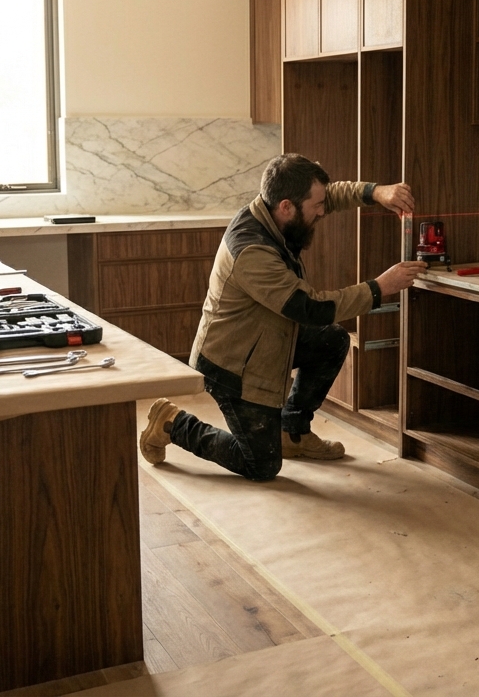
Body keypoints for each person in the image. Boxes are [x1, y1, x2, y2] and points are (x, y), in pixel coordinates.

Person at [138, 153, 426, 481]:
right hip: (234, 367)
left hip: (269, 340)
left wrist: (375, 192)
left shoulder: (273, 210)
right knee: (261, 466)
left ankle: (293, 433)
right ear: (287, 206)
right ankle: (173, 422)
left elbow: (327, 194)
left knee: (332, 340)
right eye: (316, 206)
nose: (322, 210)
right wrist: (379, 287)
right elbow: (310, 308)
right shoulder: (252, 252)